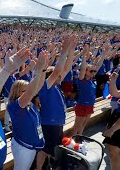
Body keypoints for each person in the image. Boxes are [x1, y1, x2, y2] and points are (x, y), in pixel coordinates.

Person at [35, 35, 78, 170]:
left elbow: (66, 68)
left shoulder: (56, 86)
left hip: (57, 123)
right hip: (50, 123)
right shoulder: (45, 86)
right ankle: (38, 167)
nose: (61, 76)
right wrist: (64, 50)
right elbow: (59, 69)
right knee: (46, 148)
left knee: (51, 147)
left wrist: (71, 50)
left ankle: (46, 165)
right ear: (50, 76)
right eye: (57, 75)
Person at [7, 51, 48, 170]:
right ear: (17, 92)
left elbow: (37, 86)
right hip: (23, 147)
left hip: (31, 145)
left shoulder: (29, 102)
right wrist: (38, 70)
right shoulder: (14, 106)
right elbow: (31, 91)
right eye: (23, 91)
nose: (28, 93)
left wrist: (43, 70)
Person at [71, 43, 110, 135]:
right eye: (91, 71)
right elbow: (84, 67)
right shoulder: (82, 80)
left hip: (90, 105)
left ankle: (79, 138)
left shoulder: (92, 80)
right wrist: (84, 55)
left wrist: (104, 54)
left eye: (94, 71)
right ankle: (70, 141)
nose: (93, 72)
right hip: (82, 105)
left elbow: (98, 65)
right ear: (85, 72)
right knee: (77, 125)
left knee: (83, 125)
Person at [104, 72, 120, 170]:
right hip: (117, 122)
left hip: (119, 125)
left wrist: (112, 129)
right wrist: (113, 81)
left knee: (114, 150)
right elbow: (115, 93)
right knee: (114, 151)